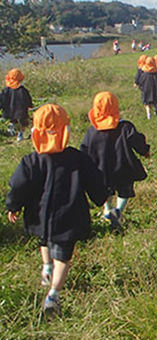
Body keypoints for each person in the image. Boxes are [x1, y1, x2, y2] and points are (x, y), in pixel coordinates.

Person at [6, 104, 108, 317]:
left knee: (44, 239)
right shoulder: (77, 158)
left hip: (39, 215)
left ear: (36, 132)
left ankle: (46, 268)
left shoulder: (30, 161)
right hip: (69, 216)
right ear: (65, 131)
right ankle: (53, 294)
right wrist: (102, 198)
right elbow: (94, 181)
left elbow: (18, 186)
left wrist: (13, 206)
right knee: (63, 255)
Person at [81, 92, 150, 228]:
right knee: (124, 190)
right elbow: (137, 141)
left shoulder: (92, 131)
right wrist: (145, 151)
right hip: (124, 167)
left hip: (101, 169)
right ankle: (118, 211)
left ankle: (107, 209)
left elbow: (84, 150)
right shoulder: (125, 127)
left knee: (105, 190)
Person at [1, 69, 33, 141]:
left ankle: (11, 130)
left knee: (13, 121)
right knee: (23, 124)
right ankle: (20, 135)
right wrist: (30, 106)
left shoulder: (6, 90)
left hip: (9, 111)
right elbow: (28, 100)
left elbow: (2, 100)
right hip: (21, 112)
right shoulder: (22, 90)